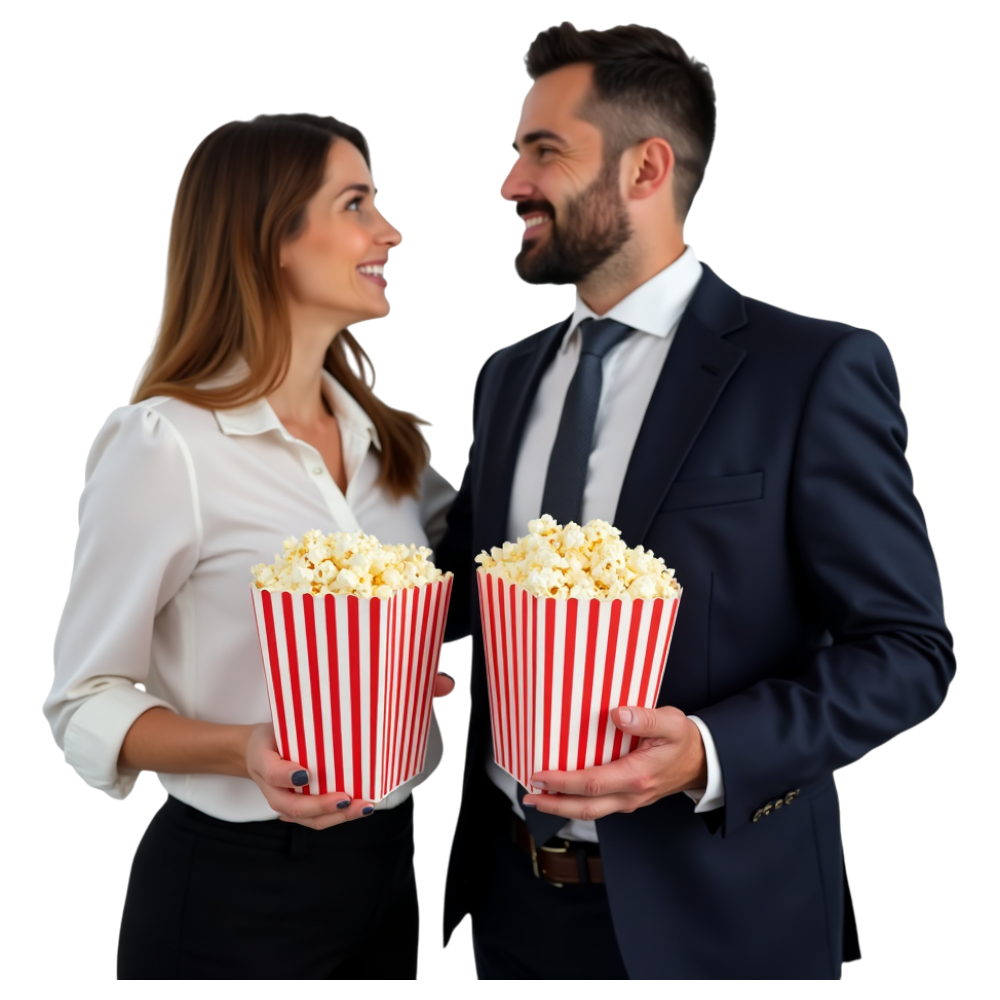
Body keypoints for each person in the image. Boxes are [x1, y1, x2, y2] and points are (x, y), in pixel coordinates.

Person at [434, 23, 953, 980]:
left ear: (647, 167)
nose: (510, 183)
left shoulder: (814, 371)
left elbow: (908, 650)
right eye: (516, 151)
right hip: (507, 910)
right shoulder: (507, 378)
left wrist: (709, 751)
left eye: (542, 151)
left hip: (721, 925)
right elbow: (476, 615)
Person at [43, 113, 457, 980]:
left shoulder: (395, 448)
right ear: (271, 237)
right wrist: (245, 750)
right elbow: (83, 700)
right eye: (357, 204)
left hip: (397, 870)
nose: (390, 230)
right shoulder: (165, 446)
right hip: (236, 894)